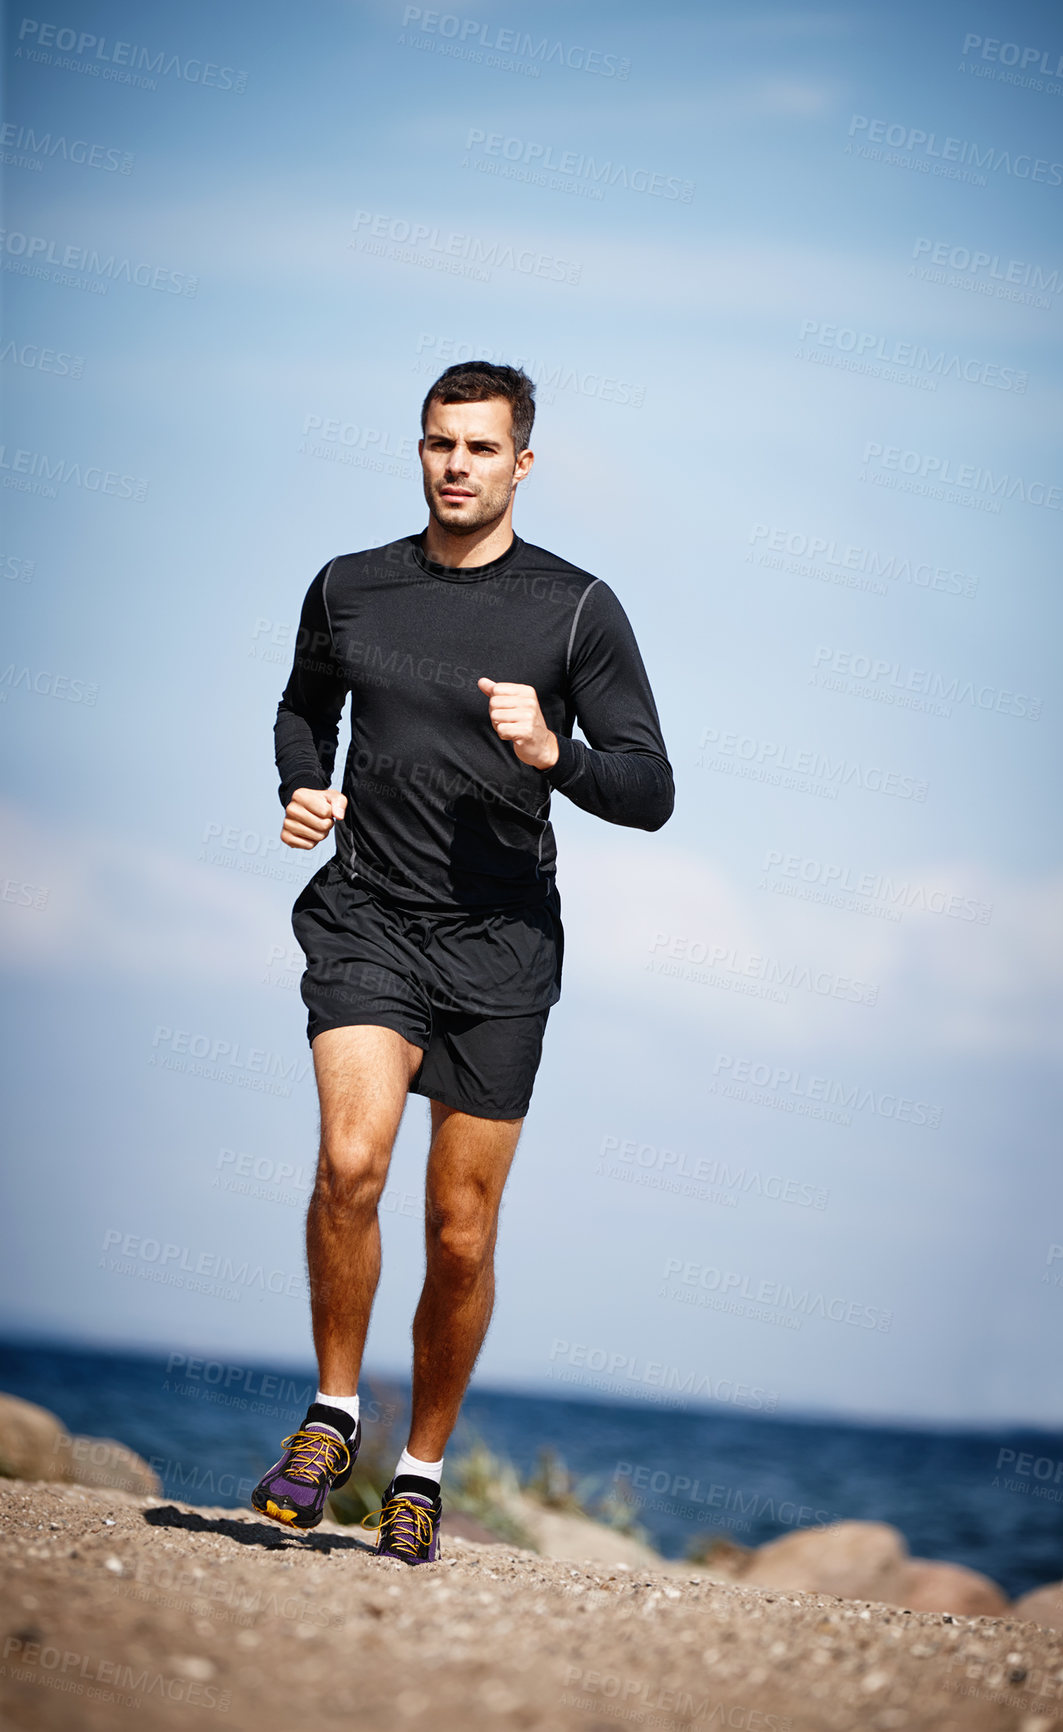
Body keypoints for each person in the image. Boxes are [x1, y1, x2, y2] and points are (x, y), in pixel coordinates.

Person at [252, 361, 674, 1564]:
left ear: (520, 463)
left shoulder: (577, 608)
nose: (455, 466)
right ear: (419, 448)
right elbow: (302, 706)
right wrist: (300, 783)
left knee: (461, 1229)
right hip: (367, 917)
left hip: (501, 947)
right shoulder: (350, 586)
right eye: (439, 443)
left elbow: (649, 786)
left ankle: (420, 1467)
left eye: (480, 449)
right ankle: (333, 1416)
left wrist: (556, 753)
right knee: (351, 1159)